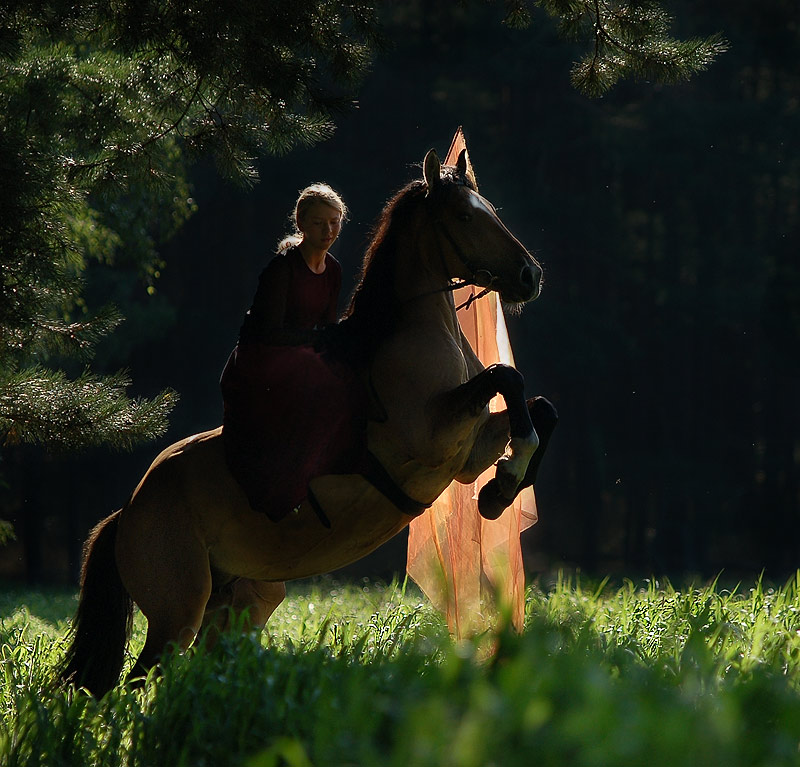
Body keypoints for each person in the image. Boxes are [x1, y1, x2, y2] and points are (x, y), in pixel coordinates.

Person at [220, 183, 363, 522]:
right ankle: (289, 485)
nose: (328, 231)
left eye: (334, 222)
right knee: (319, 385)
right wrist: (315, 342)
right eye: (318, 223)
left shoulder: (334, 270)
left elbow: (326, 326)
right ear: (300, 223)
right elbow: (267, 331)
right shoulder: (283, 268)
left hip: (303, 351)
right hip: (263, 356)